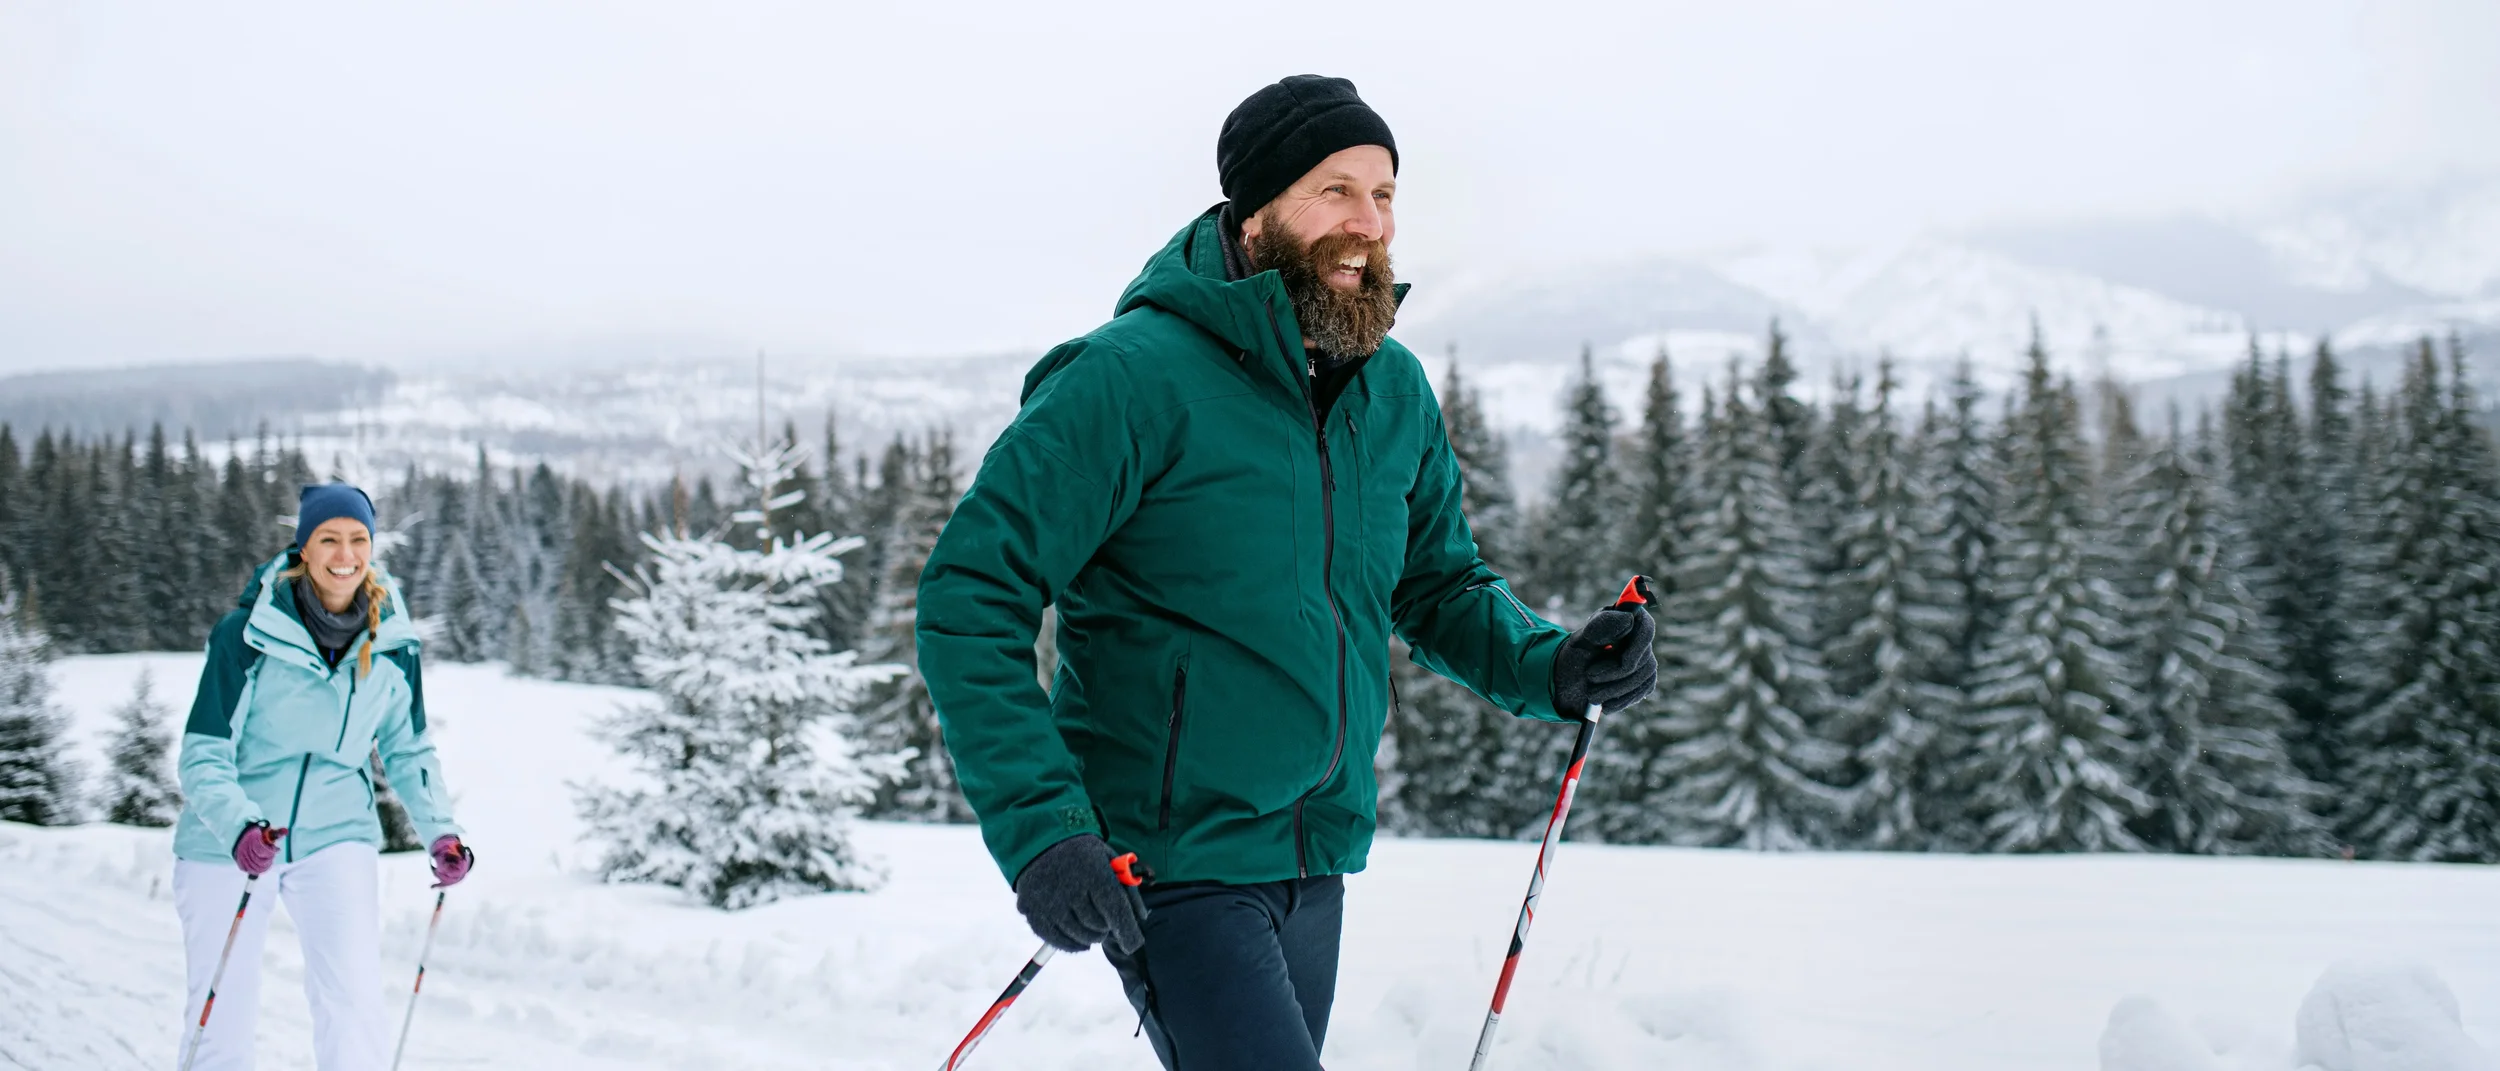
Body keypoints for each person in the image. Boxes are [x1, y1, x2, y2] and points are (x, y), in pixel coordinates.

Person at [918, 75, 1658, 1069]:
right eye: (1335, 190)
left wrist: (1552, 666)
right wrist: (1046, 832)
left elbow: (1435, 583)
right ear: (1254, 211)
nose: (1368, 222)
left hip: (1316, 857)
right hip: (1169, 864)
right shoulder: (1129, 379)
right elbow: (972, 594)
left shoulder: (1388, 389)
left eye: (1385, 194)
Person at [172, 483, 472, 1070]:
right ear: (303, 549)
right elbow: (204, 752)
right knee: (223, 1009)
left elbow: (408, 748)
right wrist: (239, 828)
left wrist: (442, 832)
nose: (345, 554)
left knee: (353, 1002)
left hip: (337, 832)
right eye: (328, 538)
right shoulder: (246, 635)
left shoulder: (392, 643)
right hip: (228, 842)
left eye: (358, 539)